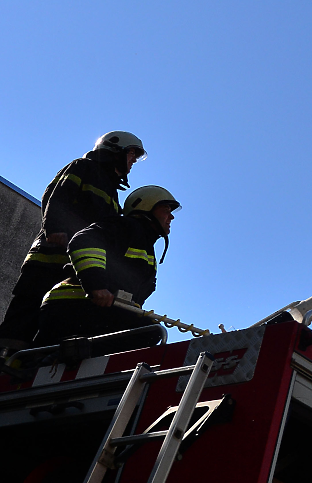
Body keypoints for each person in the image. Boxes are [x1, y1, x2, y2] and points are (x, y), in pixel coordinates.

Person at [0, 132, 146, 355]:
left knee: (52, 317)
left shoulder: (112, 194)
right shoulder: (82, 167)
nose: (133, 161)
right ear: (115, 150)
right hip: (49, 259)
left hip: (74, 265)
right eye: (132, 154)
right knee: (26, 312)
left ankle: (30, 361)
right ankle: (6, 360)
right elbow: (56, 195)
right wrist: (55, 228)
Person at [35, 185, 180, 347]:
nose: (171, 217)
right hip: (71, 305)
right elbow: (84, 240)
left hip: (96, 311)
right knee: (148, 332)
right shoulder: (124, 226)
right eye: (166, 209)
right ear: (146, 207)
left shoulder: (147, 248)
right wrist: (96, 286)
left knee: (148, 330)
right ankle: (58, 359)